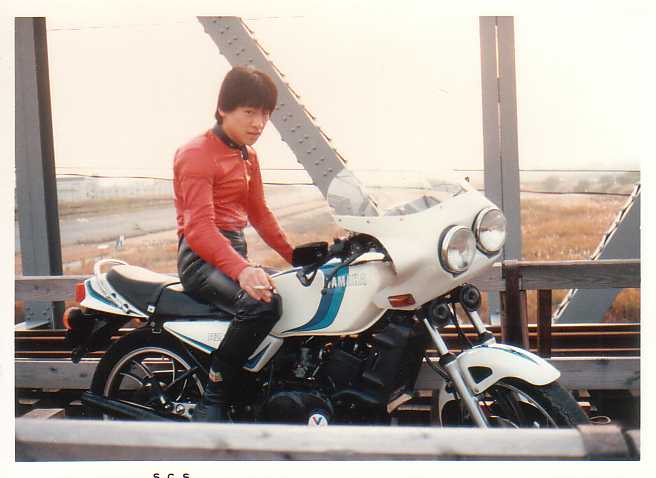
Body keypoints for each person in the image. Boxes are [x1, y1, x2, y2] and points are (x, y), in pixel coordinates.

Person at [173, 65, 294, 421]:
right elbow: (199, 229)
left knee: (298, 291)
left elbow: (260, 214)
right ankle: (215, 393)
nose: (259, 123)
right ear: (223, 109)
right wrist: (242, 271)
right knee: (261, 305)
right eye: (250, 112)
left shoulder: (247, 155)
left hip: (231, 254)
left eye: (266, 114)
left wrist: (299, 259)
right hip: (200, 260)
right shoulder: (196, 153)